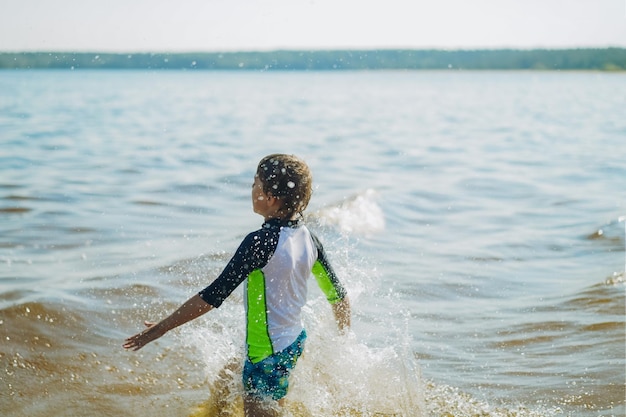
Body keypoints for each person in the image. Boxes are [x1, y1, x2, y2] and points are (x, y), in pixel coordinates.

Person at [123, 154, 351, 417]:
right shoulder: (309, 239)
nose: (251, 189)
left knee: (258, 408)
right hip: (292, 342)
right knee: (227, 378)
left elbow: (213, 294)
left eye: (255, 183)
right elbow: (339, 296)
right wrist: (343, 342)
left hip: (266, 353)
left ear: (270, 197)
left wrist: (162, 327)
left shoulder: (259, 243)